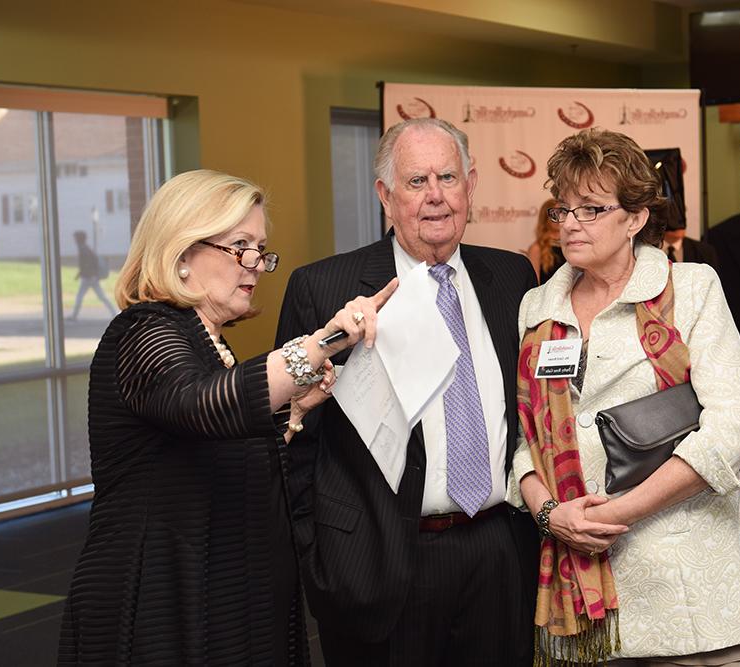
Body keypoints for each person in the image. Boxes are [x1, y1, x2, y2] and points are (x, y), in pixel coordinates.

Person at [58, 170, 396, 665]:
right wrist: (324, 342)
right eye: (241, 246)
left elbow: (210, 448)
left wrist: (294, 411)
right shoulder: (143, 331)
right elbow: (201, 403)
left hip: (226, 593)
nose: (257, 265)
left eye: (260, 249)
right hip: (158, 596)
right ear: (181, 255)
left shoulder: (208, 341)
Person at [513, 129, 740, 665]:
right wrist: (552, 515)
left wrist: (616, 515)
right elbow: (524, 439)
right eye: (564, 208)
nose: (572, 223)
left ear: (636, 218)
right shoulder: (537, 306)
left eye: (592, 208)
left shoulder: (692, 288)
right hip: (580, 585)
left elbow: (732, 425)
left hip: (686, 573)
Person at [275, 118, 540, 666]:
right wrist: (319, 562)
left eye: (448, 176)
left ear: (471, 185)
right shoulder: (323, 288)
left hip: (497, 551)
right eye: (417, 181)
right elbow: (294, 440)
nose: (436, 196)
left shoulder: (514, 277)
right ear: (385, 196)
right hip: (381, 559)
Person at [69, 230, 117, 320]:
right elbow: (86, 264)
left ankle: (74, 316)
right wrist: (80, 273)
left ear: (79, 239)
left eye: (75, 238)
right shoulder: (84, 248)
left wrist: (87, 274)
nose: (74, 240)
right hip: (90, 277)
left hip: (89, 278)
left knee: (80, 297)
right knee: (102, 297)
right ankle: (114, 313)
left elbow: (89, 264)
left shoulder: (84, 249)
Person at [526, 198, 564, 281]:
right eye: (554, 215)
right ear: (545, 218)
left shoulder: (571, 244)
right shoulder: (537, 248)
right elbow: (534, 282)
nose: (558, 219)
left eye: (562, 214)